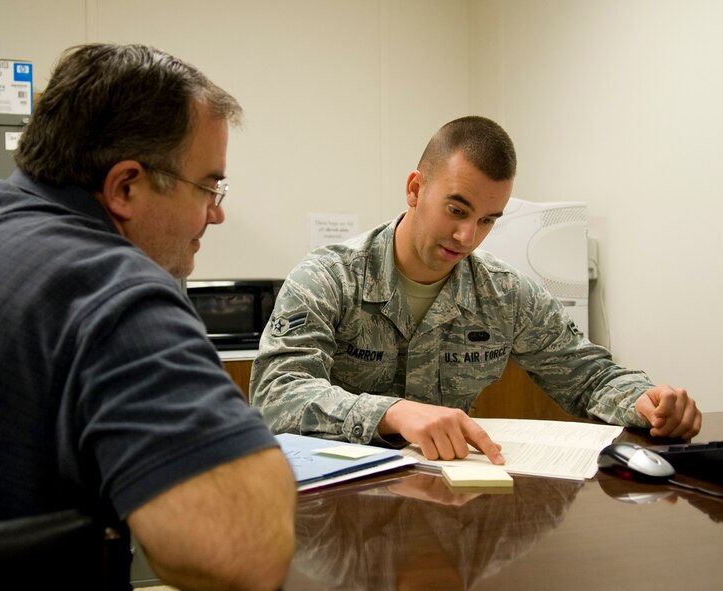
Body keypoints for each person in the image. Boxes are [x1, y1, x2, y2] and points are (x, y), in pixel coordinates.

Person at [0, 43, 295, 590]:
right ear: (125, 186)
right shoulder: (112, 291)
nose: (216, 212)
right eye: (208, 185)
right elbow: (244, 551)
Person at [249, 115, 701, 465]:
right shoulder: (329, 278)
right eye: (456, 209)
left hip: (453, 500)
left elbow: (588, 376)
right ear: (414, 188)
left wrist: (646, 401)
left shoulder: (504, 295)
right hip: (338, 505)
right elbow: (275, 395)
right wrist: (394, 413)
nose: (467, 237)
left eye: (487, 220)